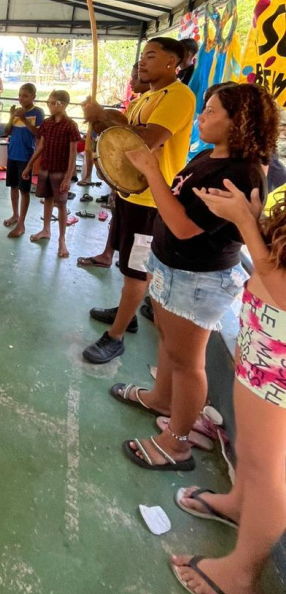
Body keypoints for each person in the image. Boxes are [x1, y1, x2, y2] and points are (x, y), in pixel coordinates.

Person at [112, 82, 276, 475]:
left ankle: (178, 442)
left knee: (188, 362)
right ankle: (160, 399)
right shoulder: (209, 156)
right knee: (169, 343)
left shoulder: (240, 173)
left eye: (212, 111)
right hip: (174, 269)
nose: (202, 116)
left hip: (198, 277)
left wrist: (151, 170)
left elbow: (185, 227)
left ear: (239, 122)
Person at [168, 182, 286, 594]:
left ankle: (242, 576)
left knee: (266, 462)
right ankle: (239, 504)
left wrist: (244, 225)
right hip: (267, 328)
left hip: (281, 341)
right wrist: (257, 221)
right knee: (251, 451)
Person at [81, 38, 196, 364]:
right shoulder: (146, 96)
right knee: (128, 262)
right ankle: (126, 314)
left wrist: (102, 114)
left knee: (137, 270)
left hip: (151, 201)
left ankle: (114, 338)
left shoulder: (178, 96)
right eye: (142, 56)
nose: (142, 62)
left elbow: (145, 140)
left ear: (173, 63)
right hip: (132, 194)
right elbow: (122, 128)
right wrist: (101, 118)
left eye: (151, 56)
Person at [24, 90, 79, 257]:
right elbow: (41, 147)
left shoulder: (70, 126)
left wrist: (68, 177)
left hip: (60, 172)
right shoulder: (47, 124)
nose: (48, 105)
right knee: (47, 198)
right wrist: (29, 166)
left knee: (61, 204)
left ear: (59, 104)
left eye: (50, 102)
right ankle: (46, 229)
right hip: (46, 168)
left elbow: (73, 153)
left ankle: (62, 240)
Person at [3, 83, 45, 239]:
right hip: (12, 154)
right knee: (13, 186)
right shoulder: (16, 112)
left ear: (33, 97)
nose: (21, 98)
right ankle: (15, 214)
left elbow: (39, 134)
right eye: (20, 95)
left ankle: (22, 223)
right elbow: (6, 132)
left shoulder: (38, 112)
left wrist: (24, 119)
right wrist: (11, 117)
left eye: (25, 96)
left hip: (25, 157)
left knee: (24, 190)